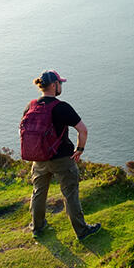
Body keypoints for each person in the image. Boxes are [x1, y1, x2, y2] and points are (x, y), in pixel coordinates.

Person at [23, 70, 101, 240]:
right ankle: (82, 231)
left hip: (39, 159)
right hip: (62, 159)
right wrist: (79, 150)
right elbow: (83, 130)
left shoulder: (31, 105)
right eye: (60, 83)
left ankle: (37, 227)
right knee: (70, 193)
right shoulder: (61, 107)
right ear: (53, 85)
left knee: (38, 192)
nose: (61, 86)